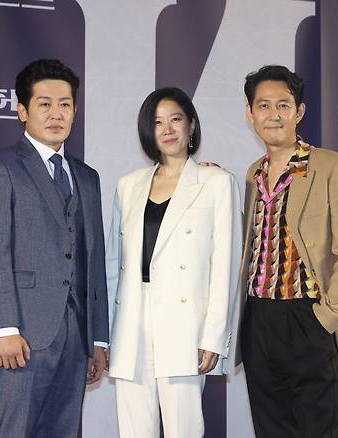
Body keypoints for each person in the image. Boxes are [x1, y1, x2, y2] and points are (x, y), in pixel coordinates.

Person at [237, 65, 338, 438]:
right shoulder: (253, 172)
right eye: (264, 106)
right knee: (270, 428)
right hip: (259, 321)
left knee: (316, 430)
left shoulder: (331, 166)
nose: (273, 115)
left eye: (283, 105)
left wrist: (328, 317)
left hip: (308, 318)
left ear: (299, 112)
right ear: (249, 114)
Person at [0, 58, 109, 438]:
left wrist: (97, 338)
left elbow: (94, 259)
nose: (57, 113)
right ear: (22, 110)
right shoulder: (2, 169)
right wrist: (3, 328)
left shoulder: (87, 177)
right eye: (45, 104)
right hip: (22, 334)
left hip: (75, 336)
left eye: (66, 104)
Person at [106, 87, 242, 438]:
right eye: (157, 122)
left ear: (191, 126)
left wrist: (215, 336)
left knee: (185, 430)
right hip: (132, 321)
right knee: (134, 430)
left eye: (175, 119)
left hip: (185, 324)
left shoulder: (217, 183)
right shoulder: (128, 185)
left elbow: (225, 266)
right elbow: (113, 264)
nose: (167, 129)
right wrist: (104, 336)